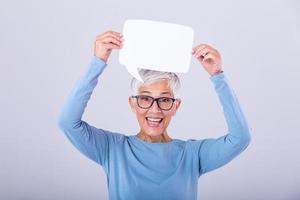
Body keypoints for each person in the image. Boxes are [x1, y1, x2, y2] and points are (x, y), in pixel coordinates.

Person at [57, 30, 251, 200]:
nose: (155, 110)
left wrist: (217, 75)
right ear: (132, 103)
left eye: (165, 100)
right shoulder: (112, 149)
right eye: (145, 99)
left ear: (176, 106)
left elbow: (240, 138)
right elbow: (68, 122)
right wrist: (98, 62)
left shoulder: (192, 155)